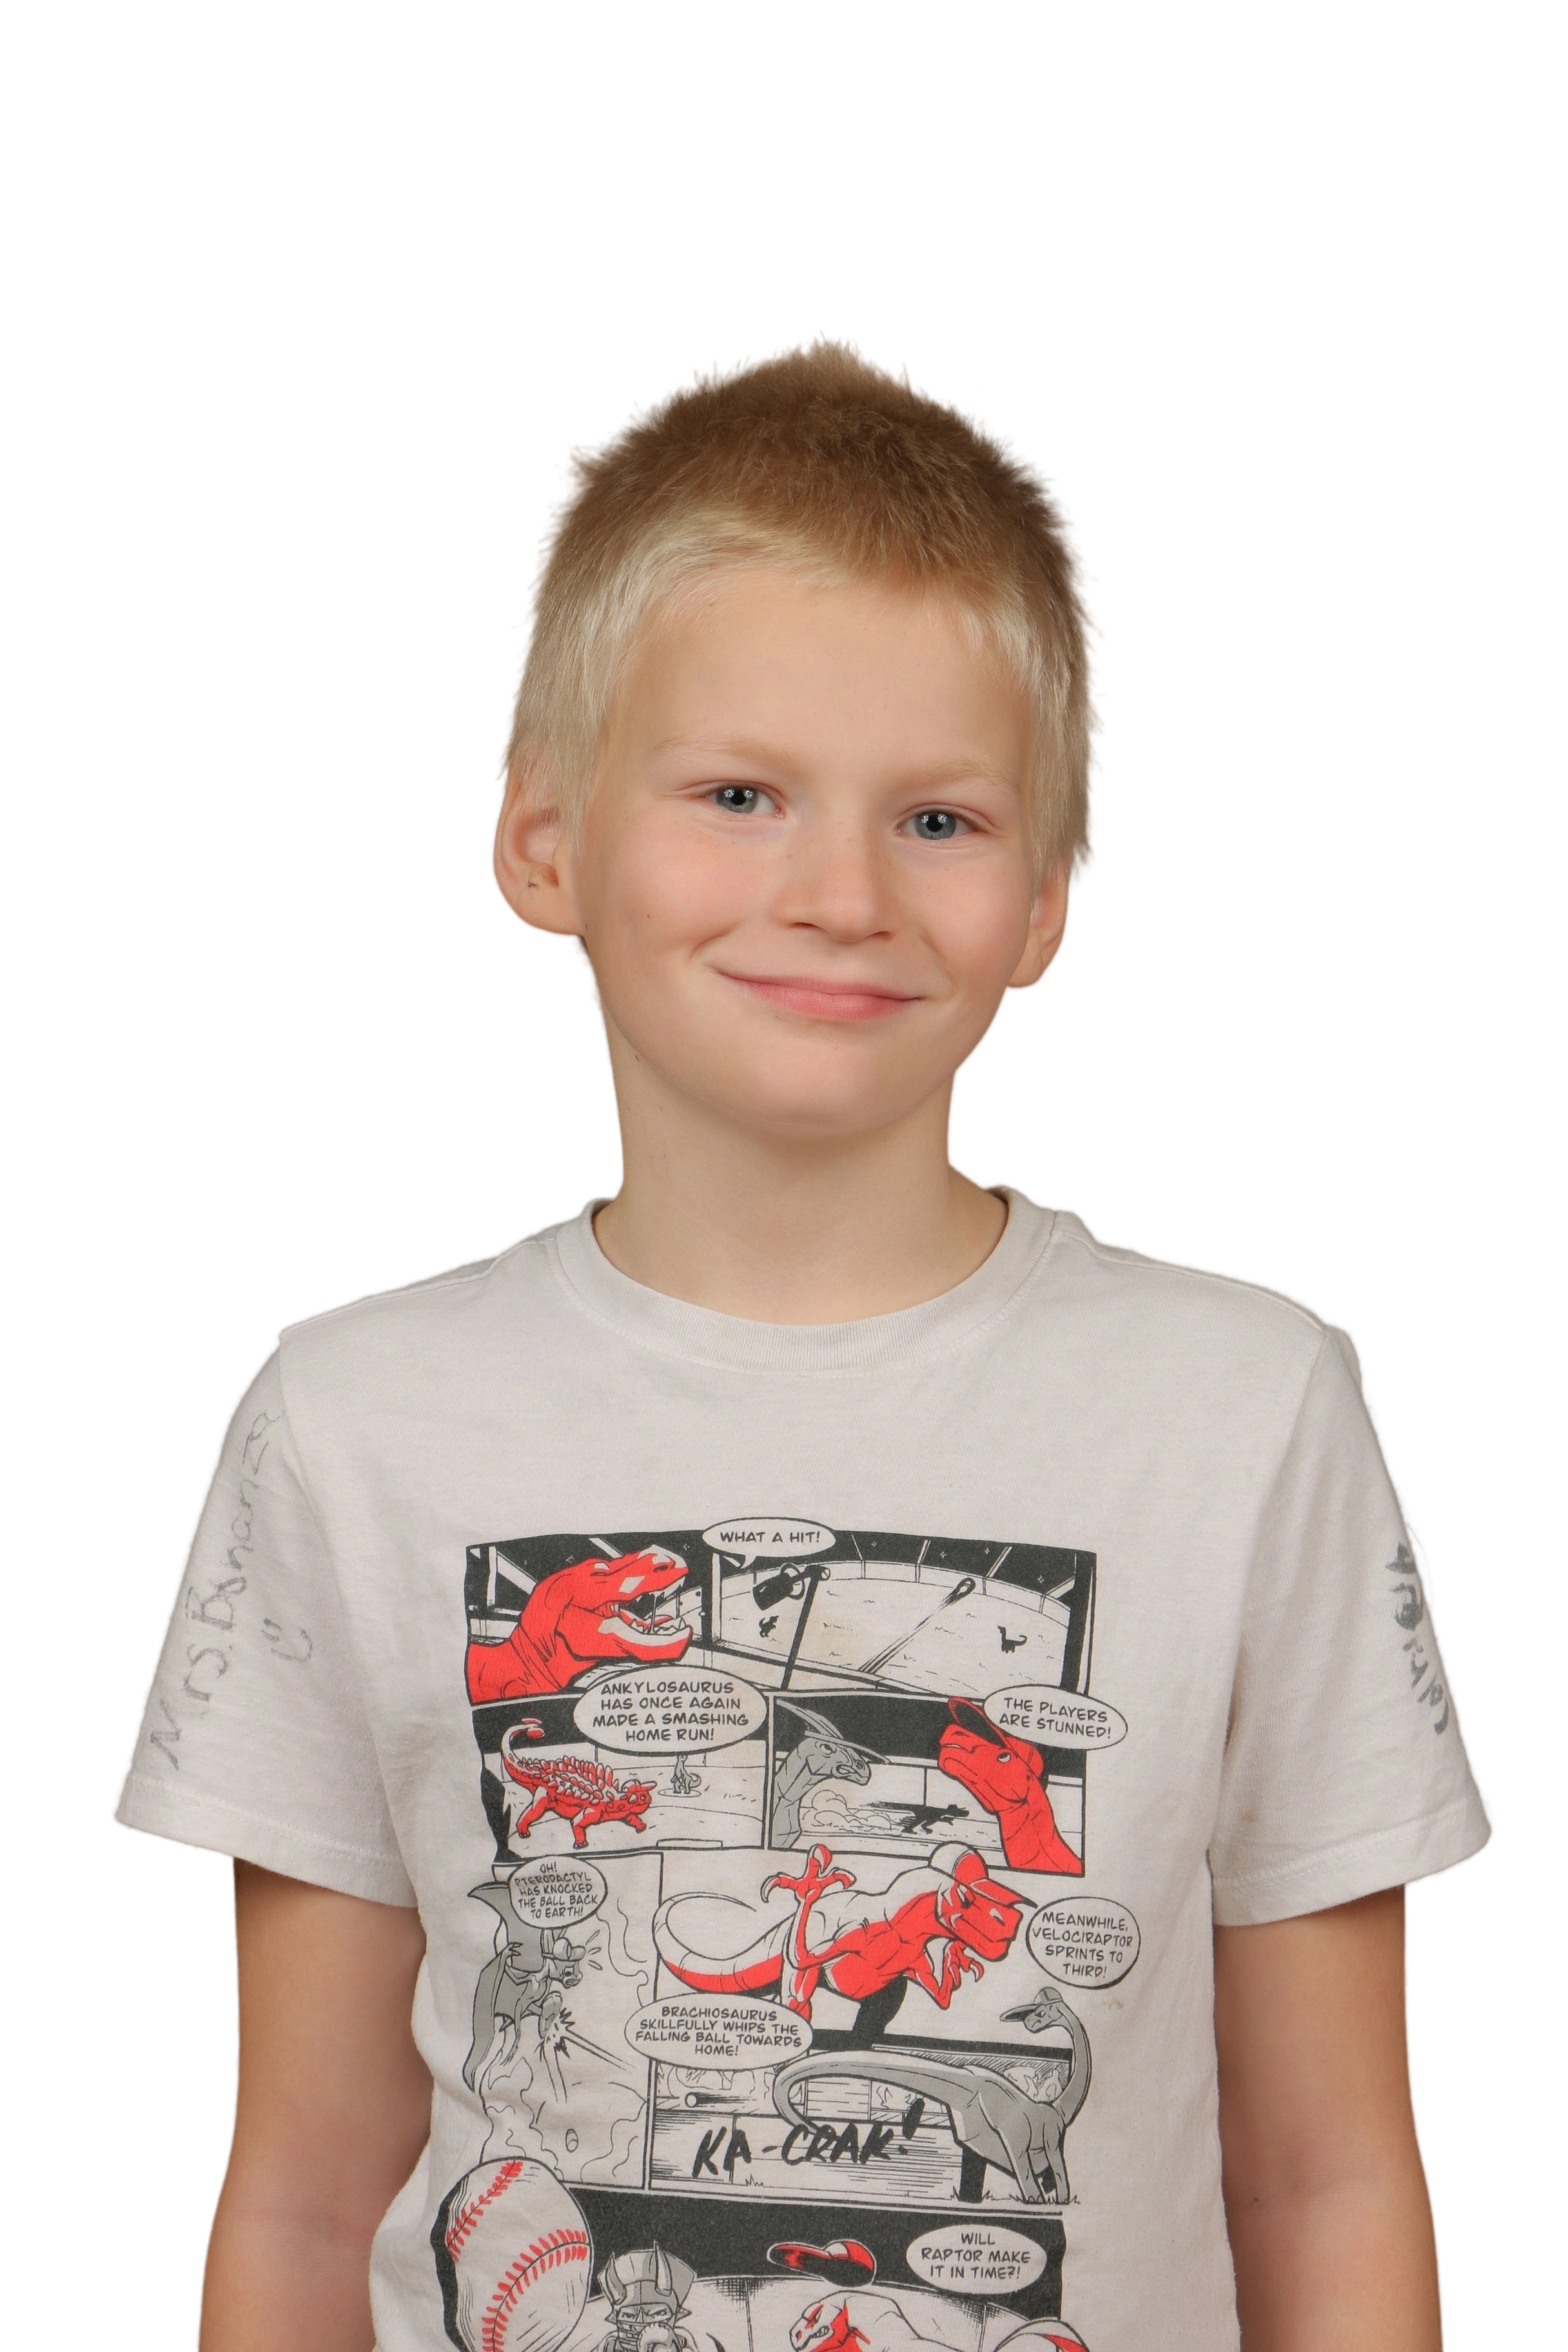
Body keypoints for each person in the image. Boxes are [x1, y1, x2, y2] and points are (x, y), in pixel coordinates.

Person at [111, 331, 1492, 2352]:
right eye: (740, 793)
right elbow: (309, 2205)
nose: (840, 891)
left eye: (938, 817)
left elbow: (1328, 2180)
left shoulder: (1245, 1411)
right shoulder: (352, 1420)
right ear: (547, 844)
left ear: (1048, 899)